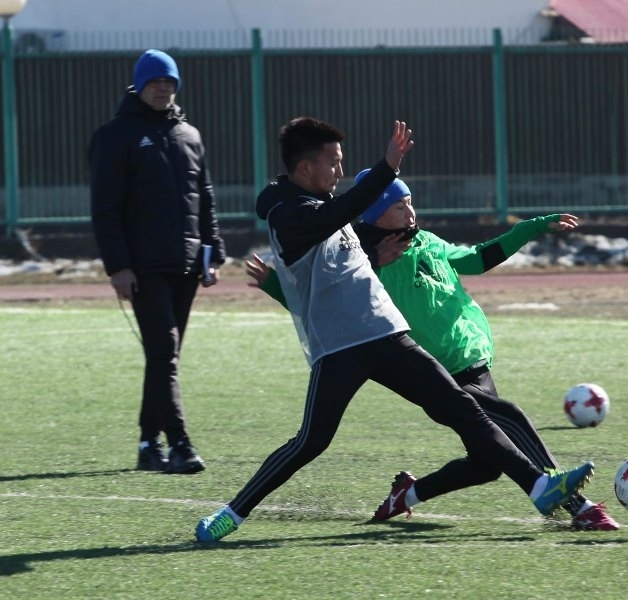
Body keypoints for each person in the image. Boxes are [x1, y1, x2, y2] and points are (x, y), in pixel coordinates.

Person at [195, 116, 594, 543]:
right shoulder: (287, 216)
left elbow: (344, 249)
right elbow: (333, 223)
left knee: (461, 406)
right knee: (312, 441)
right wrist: (386, 168)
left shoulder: (324, 206)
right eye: (333, 162)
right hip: (341, 346)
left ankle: (538, 486)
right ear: (306, 167)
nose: (340, 170)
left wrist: (374, 249)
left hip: (385, 331)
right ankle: (232, 513)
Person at [89, 49, 226, 474]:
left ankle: (149, 444)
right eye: (155, 82)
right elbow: (105, 207)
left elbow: (204, 197)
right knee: (164, 351)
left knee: (164, 355)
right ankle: (180, 444)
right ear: (139, 86)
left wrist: (213, 252)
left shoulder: (190, 134)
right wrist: (118, 266)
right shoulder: (114, 136)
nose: (163, 89)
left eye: (169, 82)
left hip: (186, 263)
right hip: (143, 266)